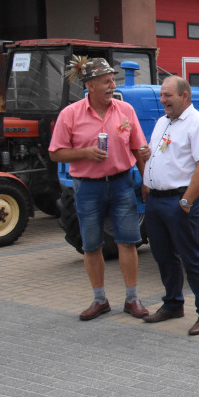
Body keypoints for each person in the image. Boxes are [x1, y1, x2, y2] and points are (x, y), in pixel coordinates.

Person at [48, 58, 151, 321]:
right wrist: (83, 153)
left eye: (112, 80)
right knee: (91, 246)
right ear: (90, 85)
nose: (111, 85)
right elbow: (56, 154)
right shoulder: (70, 114)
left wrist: (146, 180)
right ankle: (99, 300)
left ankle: (132, 300)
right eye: (106, 81)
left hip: (121, 185)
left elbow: (138, 149)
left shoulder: (125, 110)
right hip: (87, 188)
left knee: (128, 242)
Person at [140, 77, 199, 335]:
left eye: (167, 96)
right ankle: (173, 304)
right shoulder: (163, 122)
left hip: (179, 202)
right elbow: (164, 155)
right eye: (161, 95)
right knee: (163, 257)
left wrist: (186, 201)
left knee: (191, 258)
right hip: (155, 201)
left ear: (185, 96)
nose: (162, 100)